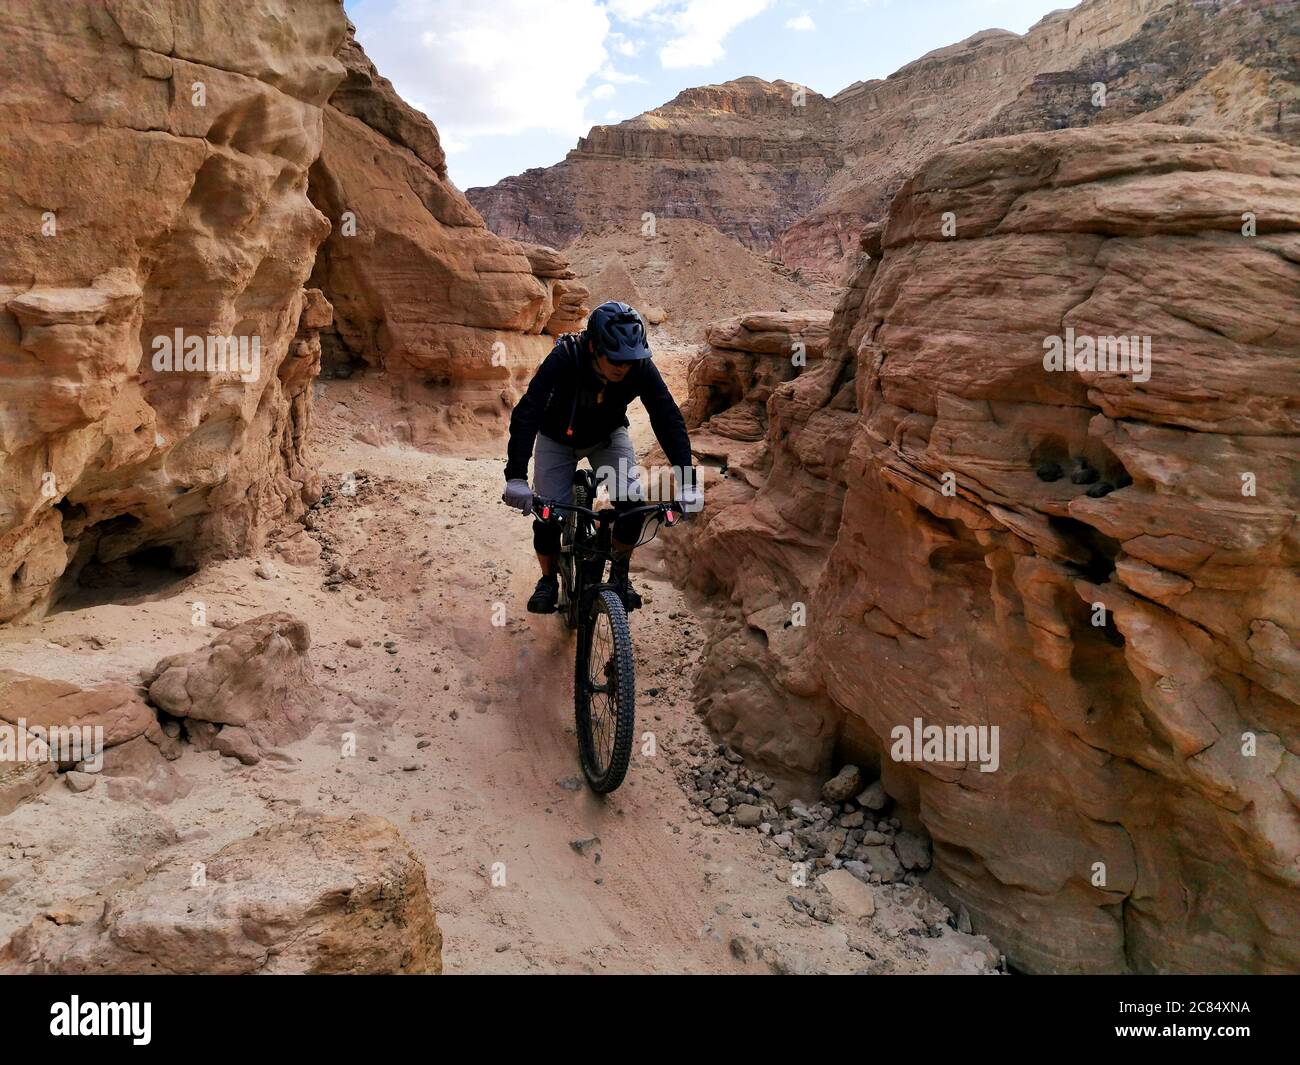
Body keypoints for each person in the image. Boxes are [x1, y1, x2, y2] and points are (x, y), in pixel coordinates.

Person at [501, 301, 701, 614]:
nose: (623, 367)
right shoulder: (565, 359)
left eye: (630, 360)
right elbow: (527, 412)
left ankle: (620, 573)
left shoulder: (639, 366)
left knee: (631, 507)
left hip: (606, 437)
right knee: (547, 516)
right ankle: (548, 580)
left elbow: (667, 417)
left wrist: (687, 480)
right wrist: (515, 475)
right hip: (556, 439)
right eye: (616, 358)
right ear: (593, 346)